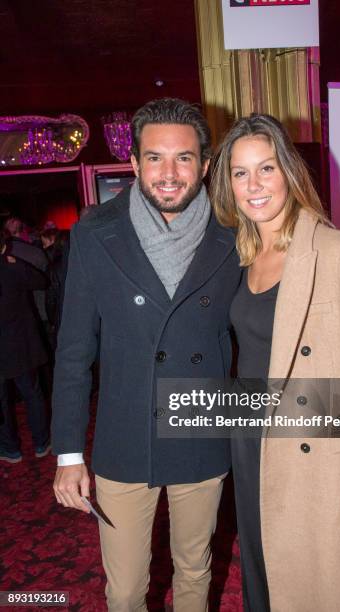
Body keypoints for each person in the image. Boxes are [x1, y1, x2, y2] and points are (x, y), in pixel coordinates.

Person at [51, 98, 241, 611]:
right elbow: (73, 349)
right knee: (127, 589)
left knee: (195, 570)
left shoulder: (235, 231)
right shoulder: (94, 231)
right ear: (133, 164)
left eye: (183, 158)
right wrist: (69, 453)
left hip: (201, 429)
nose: (169, 173)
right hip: (125, 436)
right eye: (154, 158)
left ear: (205, 165)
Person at [210, 113, 340, 612]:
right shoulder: (242, 254)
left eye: (266, 168)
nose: (254, 185)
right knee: (263, 571)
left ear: (289, 172)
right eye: (240, 172)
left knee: (317, 586)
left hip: (314, 455)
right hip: (251, 443)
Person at [0, 229, 51, 462]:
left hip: (14, 346)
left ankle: (11, 449)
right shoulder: (12, 266)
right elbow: (42, 281)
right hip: (20, 346)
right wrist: (16, 262)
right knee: (32, 394)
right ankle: (41, 443)